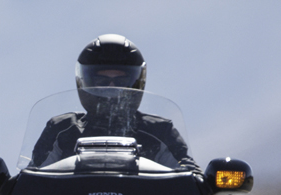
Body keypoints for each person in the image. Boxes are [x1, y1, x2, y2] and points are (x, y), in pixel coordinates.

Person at [30, 34, 201, 175]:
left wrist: (203, 182)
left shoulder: (160, 131)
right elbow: (33, 177)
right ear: (85, 82)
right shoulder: (62, 129)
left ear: (136, 83)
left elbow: (188, 175)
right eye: (102, 81)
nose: (111, 88)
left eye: (121, 81)